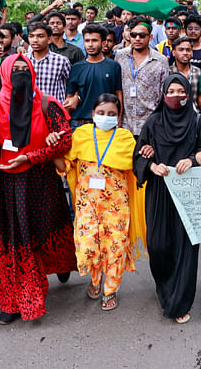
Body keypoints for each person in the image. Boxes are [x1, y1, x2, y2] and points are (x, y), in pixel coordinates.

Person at [0, 54, 76, 323]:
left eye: (23, 70)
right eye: (13, 70)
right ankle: (20, 298)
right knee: (17, 238)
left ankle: (60, 264)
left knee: (47, 229)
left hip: (41, 180)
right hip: (7, 183)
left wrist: (33, 156)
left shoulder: (48, 103)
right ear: (4, 74)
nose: (19, 75)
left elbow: (64, 142)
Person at [134, 75, 201, 323]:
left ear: (188, 95)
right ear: (163, 94)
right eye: (171, 91)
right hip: (159, 191)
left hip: (188, 194)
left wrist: (193, 158)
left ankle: (180, 301)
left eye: (181, 91)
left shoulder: (197, 122)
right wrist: (150, 166)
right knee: (158, 246)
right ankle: (165, 288)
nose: (176, 95)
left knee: (186, 248)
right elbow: (139, 154)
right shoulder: (154, 122)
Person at [65, 94, 139, 311]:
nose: (106, 117)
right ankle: (96, 280)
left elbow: (136, 167)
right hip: (86, 203)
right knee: (89, 245)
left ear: (118, 117)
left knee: (114, 247)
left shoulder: (125, 138)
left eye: (111, 114)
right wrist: (51, 148)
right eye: (101, 113)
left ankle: (110, 289)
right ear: (92, 114)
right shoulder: (81, 135)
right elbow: (66, 164)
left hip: (116, 206)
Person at [116, 17, 169, 138]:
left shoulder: (161, 60)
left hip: (151, 125)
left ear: (150, 37)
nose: (137, 39)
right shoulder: (120, 56)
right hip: (124, 125)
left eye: (142, 35)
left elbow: (163, 94)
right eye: (134, 35)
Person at [64, 25, 123, 129]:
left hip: (105, 121)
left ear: (103, 43)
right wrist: (66, 125)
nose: (90, 44)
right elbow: (69, 98)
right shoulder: (76, 68)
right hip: (79, 122)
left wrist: (119, 118)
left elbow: (118, 94)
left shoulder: (114, 66)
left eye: (94, 40)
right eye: (87, 41)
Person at [25, 21, 72, 101]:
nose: (35, 40)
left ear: (49, 39)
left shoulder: (61, 61)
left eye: (40, 36)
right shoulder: (23, 61)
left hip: (53, 110)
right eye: (31, 36)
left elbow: (71, 86)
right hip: (29, 110)